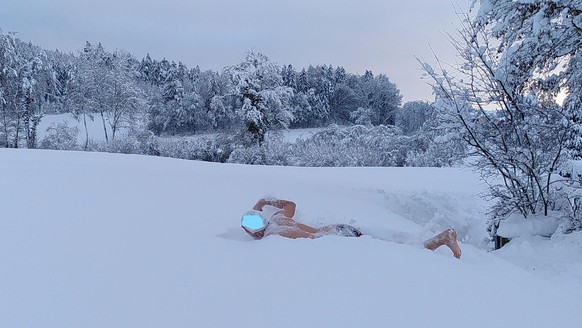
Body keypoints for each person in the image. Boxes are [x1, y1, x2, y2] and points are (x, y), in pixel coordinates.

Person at [241, 198, 462, 259]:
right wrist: (261, 202)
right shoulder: (279, 219)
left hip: (338, 237)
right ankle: (442, 238)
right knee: (395, 249)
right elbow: (291, 205)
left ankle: (443, 238)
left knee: (400, 254)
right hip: (339, 228)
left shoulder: (276, 234)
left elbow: (311, 241)